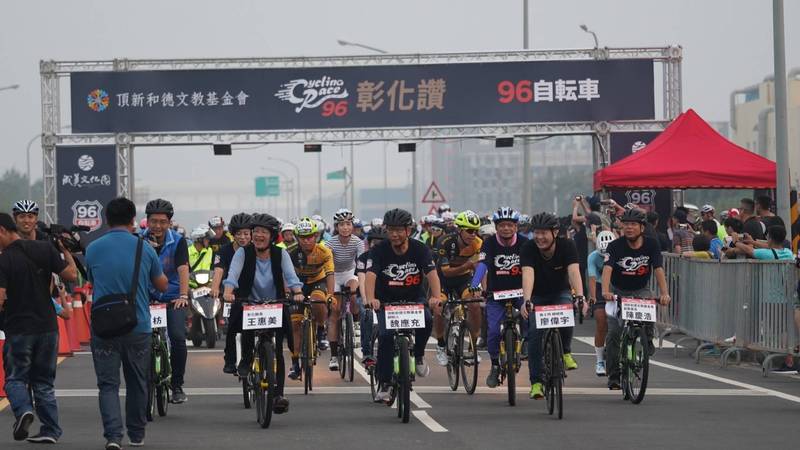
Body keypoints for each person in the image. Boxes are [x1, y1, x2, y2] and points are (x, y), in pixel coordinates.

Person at [85, 197, 167, 450]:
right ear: (134, 220)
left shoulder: (93, 248)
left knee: (108, 385)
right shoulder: (145, 248)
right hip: (138, 325)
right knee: (137, 381)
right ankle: (136, 434)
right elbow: (161, 284)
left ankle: (112, 436)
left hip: (104, 327)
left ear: (106, 220)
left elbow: (91, 279)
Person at [0, 212, 77, 444]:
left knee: (14, 379)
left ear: (2, 230)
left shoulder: (3, 260)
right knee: (43, 382)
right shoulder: (45, 250)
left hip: (19, 328)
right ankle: (50, 430)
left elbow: (0, 297)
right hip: (48, 328)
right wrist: (65, 251)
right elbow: (71, 275)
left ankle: (23, 409)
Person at [222, 213, 303, 415]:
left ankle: (278, 395)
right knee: (238, 326)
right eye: (255, 231)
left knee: (278, 350)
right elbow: (233, 274)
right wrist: (228, 291)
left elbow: (291, 277)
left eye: (263, 232)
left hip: (275, 302)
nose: (258, 235)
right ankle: (245, 360)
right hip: (248, 301)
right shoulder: (243, 253)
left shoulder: (280, 254)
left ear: (272, 235)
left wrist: (298, 292)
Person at [367, 209, 438, 403]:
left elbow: (432, 274)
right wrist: (371, 298)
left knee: (427, 319)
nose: (394, 234)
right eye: (390, 230)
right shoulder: (379, 250)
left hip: (414, 298)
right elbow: (371, 275)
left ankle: (420, 355)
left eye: (399, 230)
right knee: (385, 336)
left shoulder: (420, 249)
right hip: (386, 301)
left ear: (409, 230)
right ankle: (385, 384)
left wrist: (436, 297)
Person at [601, 208, 670, 390]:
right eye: (626, 225)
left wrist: (664, 293)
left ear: (642, 227)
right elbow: (607, 269)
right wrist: (605, 291)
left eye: (633, 225)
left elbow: (658, 270)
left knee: (648, 315)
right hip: (617, 291)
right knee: (614, 333)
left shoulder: (651, 244)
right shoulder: (615, 246)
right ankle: (614, 375)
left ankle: (647, 339)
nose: (629, 228)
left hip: (641, 290)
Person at [519, 212, 585, 400]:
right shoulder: (528, 248)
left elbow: (573, 271)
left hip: (559, 292)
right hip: (537, 295)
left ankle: (565, 352)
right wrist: (527, 299)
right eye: (536, 233)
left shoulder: (567, 245)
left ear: (555, 232)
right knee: (534, 335)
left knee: (568, 310)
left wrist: (580, 296)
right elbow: (528, 274)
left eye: (544, 233)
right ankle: (536, 382)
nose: (539, 237)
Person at [470, 207, 528, 388]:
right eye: (502, 225)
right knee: (493, 331)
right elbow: (482, 265)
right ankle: (495, 365)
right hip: (496, 294)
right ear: (496, 227)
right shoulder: (489, 244)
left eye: (510, 225)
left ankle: (526, 344)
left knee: (531, 318)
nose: (506, 229)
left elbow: (532, 268)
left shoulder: (526, 243)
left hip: (521, 292)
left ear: (516, 227)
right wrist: (474, 284)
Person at [141, 199, 190, 404]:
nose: (158, 226)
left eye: (162, 222)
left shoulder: (178, 241)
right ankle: (142, 383)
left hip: (173, 297)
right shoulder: (139, 240)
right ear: (147, 221)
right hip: (146, 296)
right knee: (137, 341)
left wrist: (183, 295)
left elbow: (182, 269)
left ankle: (177, 384)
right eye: (153, 221)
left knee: (178, 338)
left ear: (170, 222)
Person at [285, 217, 335, 379]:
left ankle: (321, 330)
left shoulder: (324, 251)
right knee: (295, 325)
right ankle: (295, 363)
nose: (306, 241)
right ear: (297, 238)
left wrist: (330, 295)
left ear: (316, 236)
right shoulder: (290, 252)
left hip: (317, 282)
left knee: (317, 301)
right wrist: (287, 293)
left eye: (310, 237)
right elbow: (284, 275)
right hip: (297, 284)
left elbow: (330, 274)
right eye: (303, 238)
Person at [433, 210, 483, 367]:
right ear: (459, 229)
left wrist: (477, 285)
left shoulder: (478, 244)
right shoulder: (445, 242)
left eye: (475, 231)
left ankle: (473, 347)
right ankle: (441, 345)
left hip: (464, 281)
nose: (473, 234)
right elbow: (446, 272)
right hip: (443, 281)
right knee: (439, 307)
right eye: (469, 230)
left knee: (475, 304)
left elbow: (481, 268)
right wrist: (468, 265)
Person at [324, 208, 365, 371]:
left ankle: (355, 324)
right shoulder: (330, 243)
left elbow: (361, 263)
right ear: (336, 227)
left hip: (349, 273)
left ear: (352, 226)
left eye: (348, 224)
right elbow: (328, 266)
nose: (345, 227)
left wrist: (361, 279)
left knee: (354, 294)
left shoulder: (358, 242)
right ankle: (334, 356)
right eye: (342, 224)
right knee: (334, 313)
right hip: (334, 274)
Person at [214, 213, 254, 374]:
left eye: (246, 233)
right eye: (239, 234)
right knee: (234, 325)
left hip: (253, 292)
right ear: (233, 234)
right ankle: (230, 359)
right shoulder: (224, 250)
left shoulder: (257, 249)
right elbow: (218, 270)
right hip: (232, 294)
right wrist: (216, 289)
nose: (243, 237)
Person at [356, 226, 387, 367]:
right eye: (375, 242)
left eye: (381, 242)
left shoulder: (389, 256)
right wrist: (366, 300)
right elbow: (362, 280)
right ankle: (367, 352)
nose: (378, 245)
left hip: (385, 296)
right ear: (369, 243)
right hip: (367, 295)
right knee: (365, 314)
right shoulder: (363, 258)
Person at [587, 230, 615, 376]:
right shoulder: (592, 257)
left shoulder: (618, 252)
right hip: (599, 287)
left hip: (616, 286)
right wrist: (593, 297)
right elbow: (592, 278)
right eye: (602, 255)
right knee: (601, 320)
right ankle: (599, 360)